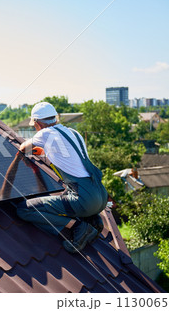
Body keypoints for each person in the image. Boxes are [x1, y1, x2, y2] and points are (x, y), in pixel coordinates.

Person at [17, 102, 107, 253]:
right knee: (68, 194)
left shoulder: (44, 134)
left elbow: (23, 148)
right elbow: (69, 159)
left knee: (24, 209)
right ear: (55, 118)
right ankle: (93, 219)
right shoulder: (73, 133)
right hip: (100, 196)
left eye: (34, 125)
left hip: (84, 200)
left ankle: (79, 227)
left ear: (38, 123)